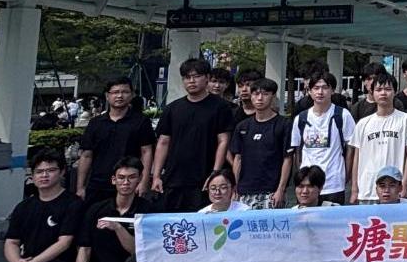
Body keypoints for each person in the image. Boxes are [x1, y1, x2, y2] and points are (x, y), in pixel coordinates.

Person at [61, 157, 148, 262]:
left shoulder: (146, 210)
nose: (126, 182)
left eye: (131, 177)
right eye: (121, 178)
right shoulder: (96, 209)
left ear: (139, 179)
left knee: (135, 261)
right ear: (113, 180)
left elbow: (136, 251)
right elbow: (84, 248)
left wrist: (118, 228)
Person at [150, 58, 235, 212]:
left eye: (196, 76)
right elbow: (163, 142)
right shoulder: (172, 108)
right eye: (187, 77)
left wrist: (215, 173)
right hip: (173, 178)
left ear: (207, 78)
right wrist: (156, 176)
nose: (191, 81)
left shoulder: (220, 107)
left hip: (204, 178)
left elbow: (223, 141)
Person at [76, 77, 155, 201]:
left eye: (125, 92)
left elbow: (146, 152)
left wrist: (144, 182)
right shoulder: (95, 123)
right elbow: (86, 155)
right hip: (98, 184)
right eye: (115, 92)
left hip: (128, 184)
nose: (119, 96)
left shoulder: (141, 121)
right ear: (107, 96)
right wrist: (80, 186)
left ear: (132, 95)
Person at [347, 75, 407, 203]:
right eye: (378, 89)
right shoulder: (363, 124)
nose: (383, 93)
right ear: (372, 92)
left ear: (395, 92)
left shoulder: (406, 120)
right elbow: (357, 157)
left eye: (388, 89)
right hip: (367, 189)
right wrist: (354, 189)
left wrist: (405, 184)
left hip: (394, 190)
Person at [291, 71, 356, 204]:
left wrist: (346, 175)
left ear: (332, 90)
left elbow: (351, 148)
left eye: (325, 87)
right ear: (309, 91)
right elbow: (297, 150)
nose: (320, 92)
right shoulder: (301, 118)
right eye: (316, 88)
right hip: (307, 185)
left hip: (334, 183)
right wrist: (301, 175)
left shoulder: (343, 115)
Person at [230, 77, 294, 209]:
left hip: (272, 191)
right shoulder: (242, 126)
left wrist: (281, 189)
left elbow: (287, 159)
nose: (259, 98)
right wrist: (234, 187)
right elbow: (238, 158)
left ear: (273, 96)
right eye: (256, 94)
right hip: (244, 191)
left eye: (265, 94)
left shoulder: (284, 124)